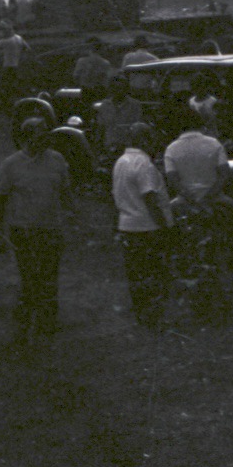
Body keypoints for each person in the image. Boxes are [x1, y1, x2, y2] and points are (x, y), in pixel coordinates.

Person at [0, 117, 75, 344]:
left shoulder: (57, 160)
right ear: (26, 138)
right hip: (23, 231)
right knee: (29, 279)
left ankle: (47, 325)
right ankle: (23, 325)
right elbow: (0, 200)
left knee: (49, 277)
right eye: (40, 135)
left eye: (47, 134)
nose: (46, 139)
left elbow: (65, 192)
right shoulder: (10, 165)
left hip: (51, 229)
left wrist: (71, 215)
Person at [112, 122, 173, 328]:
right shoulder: (143, 164)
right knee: (152, 272)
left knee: (135, 273)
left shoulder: (121, 161)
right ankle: (152, 316)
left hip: (127, 224)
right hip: (146, 226)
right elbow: (149, 197)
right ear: (144, 140)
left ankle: (142, 314)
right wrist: (164, 225)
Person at [93, 77, 144, 161]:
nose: (118, 91)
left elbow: (138, 128)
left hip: (128, 149)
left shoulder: (135, 105)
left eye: (121, 88)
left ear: (126, 89)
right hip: (109, 148)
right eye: (115, 88)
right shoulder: (105, 105)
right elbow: (100, 128)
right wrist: (99, 152)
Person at [0, 19, 30, 97]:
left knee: (7, 86)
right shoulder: (19, 38)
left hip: (8, 66)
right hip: (18, 65)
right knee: (17, 84)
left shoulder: (4, 42)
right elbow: (27, 48)